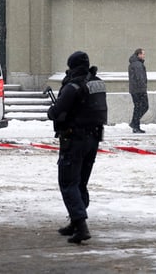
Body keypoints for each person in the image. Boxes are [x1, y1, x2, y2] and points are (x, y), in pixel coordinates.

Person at [47, 51, 108, 244]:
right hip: (93, 138)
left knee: (68, 182)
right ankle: (75, 221)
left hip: (74, 139)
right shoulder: (97, 83)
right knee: (80, 182)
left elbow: (56, 111)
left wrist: (53, 111)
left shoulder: (73, 86)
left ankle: (81, 226)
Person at [127, 48, 148, 133]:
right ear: (138, 54)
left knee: (138, 107)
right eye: (143, 54)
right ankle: (134, 123)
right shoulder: (137, 65)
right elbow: (140, 78)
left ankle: (135, 125)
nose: (144, 56)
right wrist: (143, 88)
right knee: (144, 106)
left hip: (135, 89)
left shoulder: (135, 63)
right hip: (139, 90)